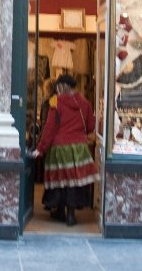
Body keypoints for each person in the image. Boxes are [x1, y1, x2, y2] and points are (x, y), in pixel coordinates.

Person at [30, 74, 96, 226]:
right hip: (79, 148)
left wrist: (40, 149)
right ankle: (71, 215)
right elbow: (90, 127)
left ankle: (59, 211)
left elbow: (50, 128)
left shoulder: (56, 102)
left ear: (61, 86)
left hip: (59, 147)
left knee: (60, 181)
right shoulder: (85, 103)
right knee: (74, 183)